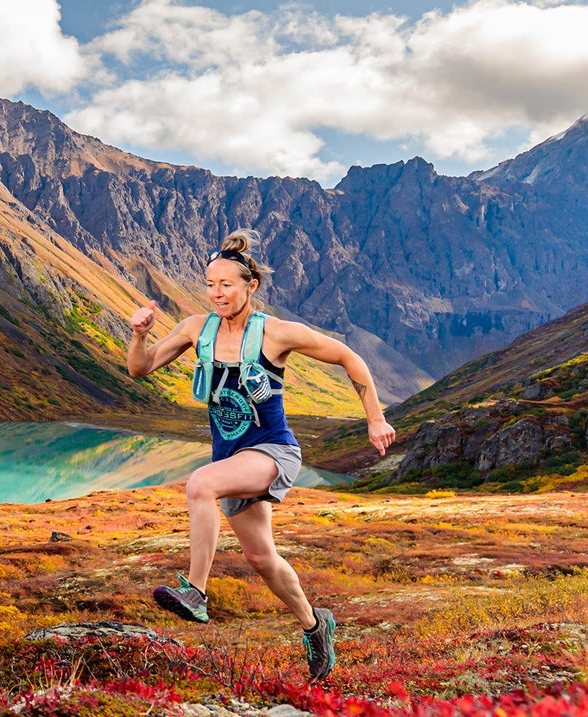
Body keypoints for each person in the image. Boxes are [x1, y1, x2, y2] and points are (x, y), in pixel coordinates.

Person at [125, 230, 395, 679]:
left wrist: (374, 418)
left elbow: (349, 357)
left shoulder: (276, 333)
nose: (216, 293)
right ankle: (316, 626)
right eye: (210, 284)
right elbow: (140, 368)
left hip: (273, 450)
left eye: (226, 285)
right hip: (232, 455)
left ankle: (195, 591)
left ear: (250, 287)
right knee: (261, 559)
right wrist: (138, 334)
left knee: (200, 483)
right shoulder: (196, 329)